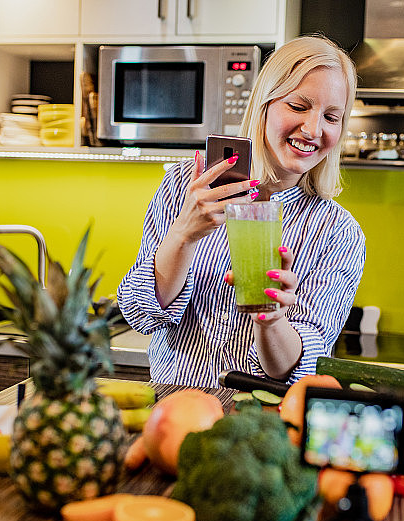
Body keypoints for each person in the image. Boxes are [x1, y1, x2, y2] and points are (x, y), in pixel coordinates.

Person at [117, 35, 366, 388]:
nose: (313, 129)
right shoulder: (186, 186)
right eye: (298, 107)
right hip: (175, 410)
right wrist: (184, 234)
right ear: (264, 104)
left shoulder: (338, 233)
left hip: (261, 426)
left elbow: (297, 369)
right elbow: (139, 314)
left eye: (331, 116)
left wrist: (272, 321)